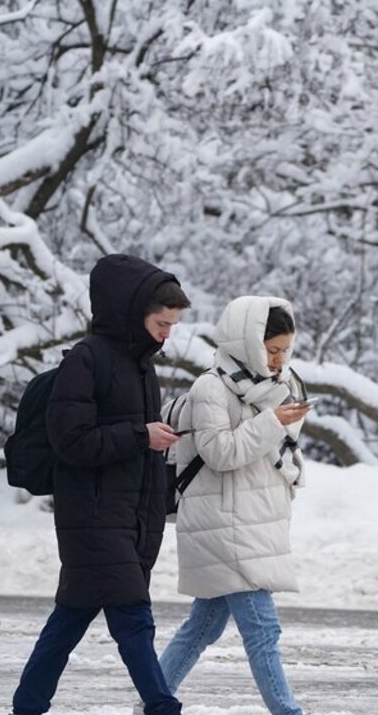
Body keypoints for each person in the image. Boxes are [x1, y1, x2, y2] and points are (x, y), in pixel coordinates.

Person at [12, 254, 191, 715]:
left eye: (172, 324)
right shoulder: (87, 360)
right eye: (161, 322)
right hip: (91, 516)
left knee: (70, 620)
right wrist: (140, 435)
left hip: (128, 519)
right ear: (133, 314)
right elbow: (70, 440)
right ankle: (162, 706)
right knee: (134, 619)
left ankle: (28, 705)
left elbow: (136, 448)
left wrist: (160, 472)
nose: (167, 332)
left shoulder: (142, 367)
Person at [156, 296, 310, 715]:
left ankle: (154, 701)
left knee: (203, 626)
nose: (279, 360)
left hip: (256, 521)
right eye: (271, 350)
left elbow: (273, 452)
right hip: (223, 523)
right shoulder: (210, 387)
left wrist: (284, 422)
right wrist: (272, 421)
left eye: (284, 350)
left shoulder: (281, 385)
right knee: (264, 630)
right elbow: (220, 453)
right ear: (246, 342)